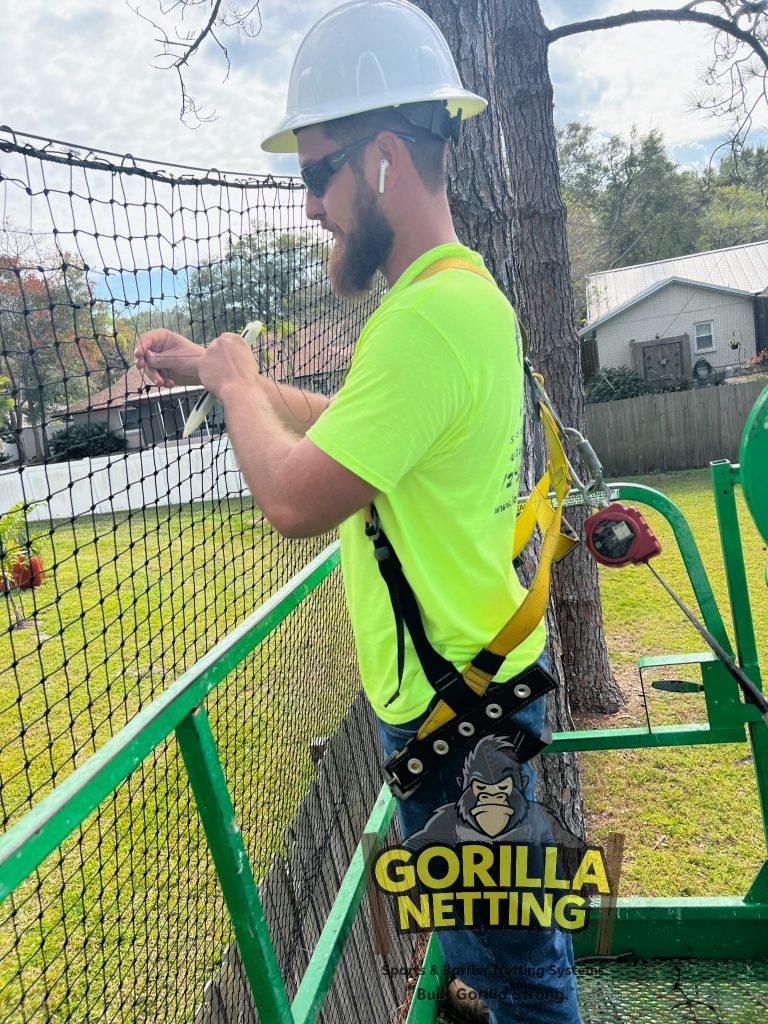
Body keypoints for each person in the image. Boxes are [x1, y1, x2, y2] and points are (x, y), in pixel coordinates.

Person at [134, 1, 582, 1020]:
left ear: (383, 159)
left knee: (524, 972)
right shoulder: (444, 299)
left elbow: (292, 496)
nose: (308, 206)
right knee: (501, 952)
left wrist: (242, 380)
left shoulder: (428, 315)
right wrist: (218, 370)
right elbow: (345, 428)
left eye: (314, 172)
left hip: (463, 719)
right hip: (463, 702)